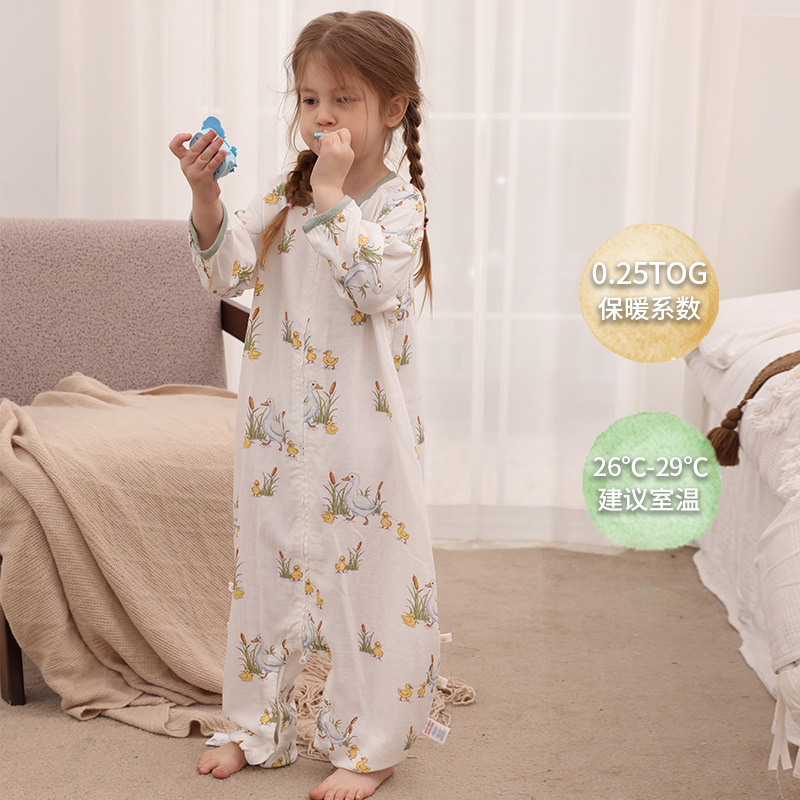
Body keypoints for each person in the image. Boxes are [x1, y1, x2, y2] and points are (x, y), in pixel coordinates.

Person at [169, 11, 439, 800]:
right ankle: (256, 725)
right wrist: (205, 193)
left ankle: (372, 744)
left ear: (393, 107)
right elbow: (225, 272)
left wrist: (329, 196)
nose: (322, 116)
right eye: (310, 99)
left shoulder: (399, 205)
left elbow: (374, 284)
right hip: (279, 431)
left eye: (343, 100)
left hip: (364, 433)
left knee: (368, 583)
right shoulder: (285, 194)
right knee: (266, 571)